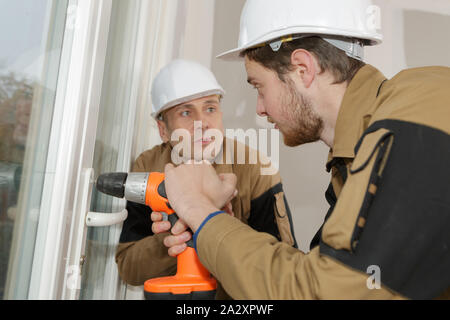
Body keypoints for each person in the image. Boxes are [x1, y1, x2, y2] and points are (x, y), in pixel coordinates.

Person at [154, 0, 450, 299]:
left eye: (259, 87)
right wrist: (221, 227)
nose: (259, 109)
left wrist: (199, 210)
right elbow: (316, 273)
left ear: (302, 68)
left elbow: (324, 292)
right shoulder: (353, 162)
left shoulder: (422, 107)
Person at [115, 59, 297, 299]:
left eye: (210, 108)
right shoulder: (148, 168)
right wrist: (173, 239)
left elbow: (282, 274)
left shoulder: (255, 169)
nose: (202, 123)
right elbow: (129, 268)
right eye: (186, 112)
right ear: (163, 130)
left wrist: (209, 224)